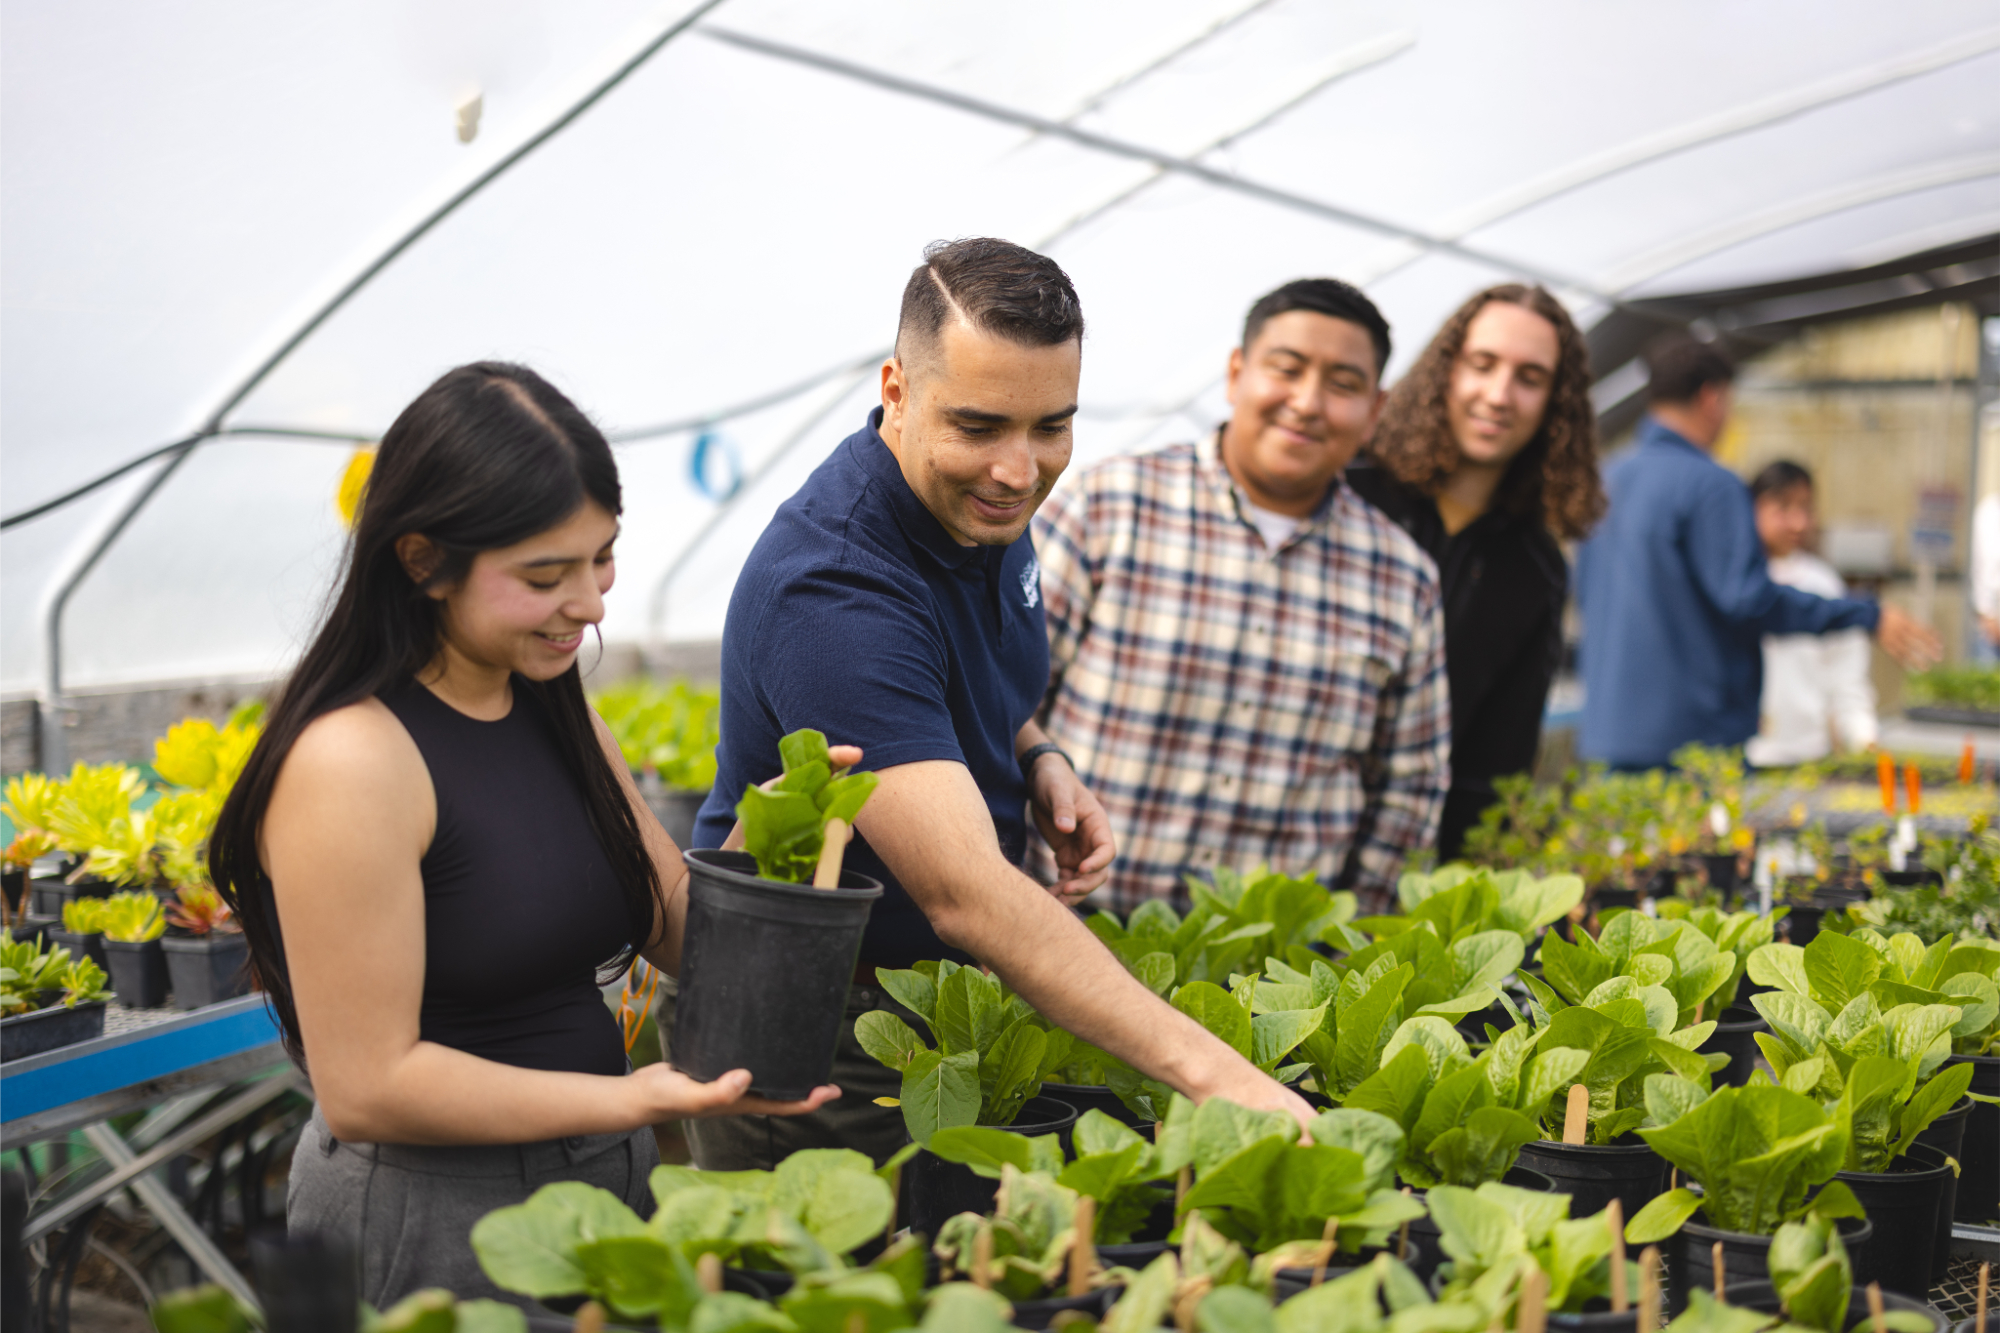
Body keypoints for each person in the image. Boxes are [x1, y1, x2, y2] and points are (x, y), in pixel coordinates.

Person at [209, 364, 838, 1310]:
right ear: (422, 560)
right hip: (429, 1216)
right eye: (546, 575)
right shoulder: (351, 759)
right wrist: (640, 1095)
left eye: (604, 557)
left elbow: (671, 920)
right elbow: (369, 1085)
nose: (590, 602)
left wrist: (774, 824)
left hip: (598, 1178)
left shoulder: (552, 700)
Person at [687, 239, 1313, 1170]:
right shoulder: (834, 588)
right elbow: (967, 895)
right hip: (816, 1044)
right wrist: (1224, 1078)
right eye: (978, 426)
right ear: (897, 390)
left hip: (934, 1010)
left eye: (1050, 425)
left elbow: (965, 678)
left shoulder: (975, 507)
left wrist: (1037, 753)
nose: (1020, 470)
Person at [1031, 278, 1448, 916]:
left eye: (1342, 384)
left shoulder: (1402, 578)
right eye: (1287, 369)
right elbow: (1004, 704)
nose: (1307, 403)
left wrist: (1347, 945)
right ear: (1236, 373)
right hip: (1067, 935)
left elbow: (1409, 790)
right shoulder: (1109, 504)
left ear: (1375, 409)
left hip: (1274, 985)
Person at [1575, 334, 1937, 770]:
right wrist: (1865, 613)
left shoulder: (1604, 481)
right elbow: (1749, 600)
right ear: (1713, 397)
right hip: (1690, 749)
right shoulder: (1710, 484)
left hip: (1605, 737)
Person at [1348, 283, 1604, 860]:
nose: (1499, 394)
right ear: (1444, 370)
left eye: (1530, 378)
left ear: (1556, 407)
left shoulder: (1535, 569)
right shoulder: (1352, 494)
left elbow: (1495, 763)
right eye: (1481, 364)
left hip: (1394, 868)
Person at [1743, 460, 1878, 766]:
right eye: (1783, 508)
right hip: (1744, 756)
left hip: (1808, 757)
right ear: (1752, 509)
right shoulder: (1735, 582)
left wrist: (1863, 741)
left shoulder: (1824, 585)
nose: (1798, 523)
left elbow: (1849, 679)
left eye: (1806, 508)